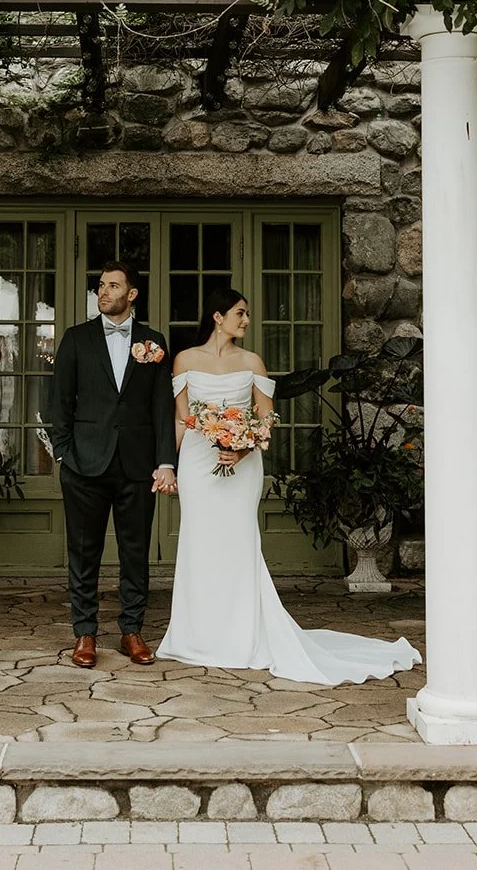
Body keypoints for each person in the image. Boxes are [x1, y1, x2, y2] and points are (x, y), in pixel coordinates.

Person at [157, 285, 420, 684]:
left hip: (241, 466)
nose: (246, 320)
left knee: (238, 541)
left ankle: (242, 634)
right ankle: (197, 634)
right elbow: (181, 419)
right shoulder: (184, 361)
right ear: (218, 316)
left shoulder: (253, 362)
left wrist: (242, 450)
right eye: (240, 313)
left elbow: (265, 423)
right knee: (199, 542)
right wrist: (169, 466)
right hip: (197, 461)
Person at [49, 261, 177, 668]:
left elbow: (162, 407)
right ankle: (84, 633)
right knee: (83, 551)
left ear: (132, 294)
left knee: (135, 552)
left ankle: (131, 631)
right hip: (84, 464)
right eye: (100, 286)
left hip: (137, 466)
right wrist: (63, 452)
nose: (103, 292)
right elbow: (59, 402)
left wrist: (165, 462)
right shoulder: (76, 339)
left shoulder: (154, 343)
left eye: (113, 286)